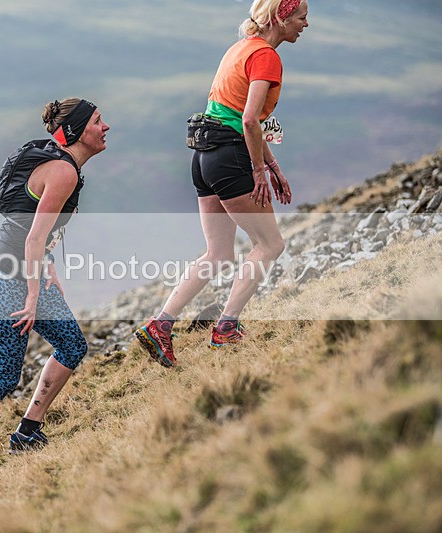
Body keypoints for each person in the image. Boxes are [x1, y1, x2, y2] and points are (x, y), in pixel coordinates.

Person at [0, 98, 110, 487]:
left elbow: (33, 232)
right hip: (3, 277)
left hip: (26, 271)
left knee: (72, 346)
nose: (106, 127)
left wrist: (47, 270)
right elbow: (31, 238)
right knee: (6, 374)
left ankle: (28, 432)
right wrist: (32, 296)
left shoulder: (65, 168)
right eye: (98, 121)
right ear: (79, 131)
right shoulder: (62, 171)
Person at [135, 0, 308, 366]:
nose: (305, 24)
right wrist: (259, 172)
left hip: (205, 157)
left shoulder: (239, 48)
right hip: (231, 157)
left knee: (217, 254)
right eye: (301, 16)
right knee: (270, 244)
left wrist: (271, 164)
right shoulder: (266, 56)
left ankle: (160, 325)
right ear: (281, 17)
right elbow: (248, 120)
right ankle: (227, 327)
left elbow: (229, 113)